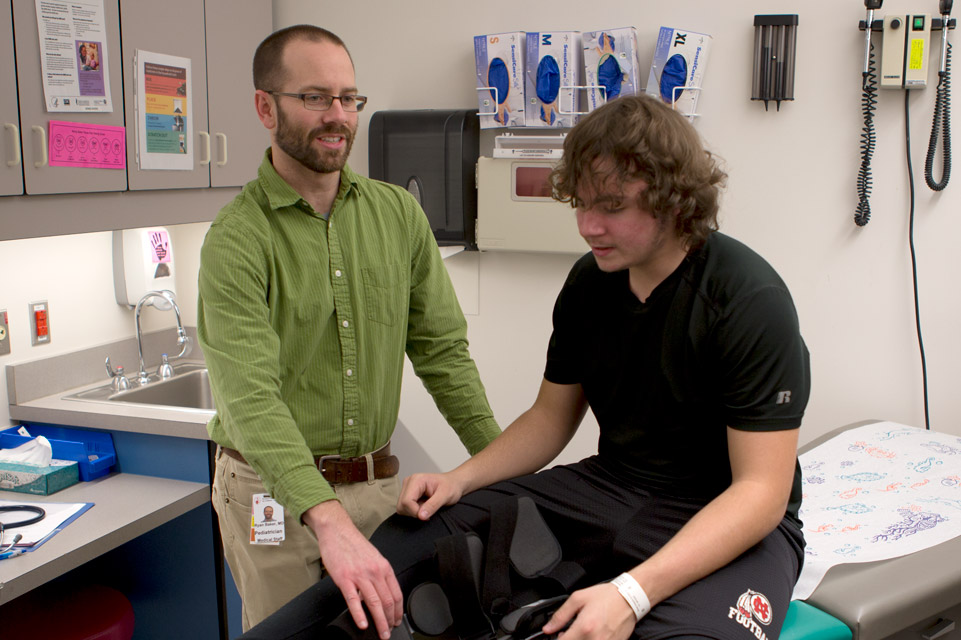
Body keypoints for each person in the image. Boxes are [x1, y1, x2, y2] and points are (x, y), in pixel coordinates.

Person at [240, 93, 810, 640]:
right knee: (422, 534)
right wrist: (459, 479)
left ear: (673, 198)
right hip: (612, 488)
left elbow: (761, 490)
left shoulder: (746, 297)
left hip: (725, 509)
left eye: (612, 207)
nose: (589, 226)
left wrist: (632, 593)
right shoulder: (591, 283)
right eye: (582, 204)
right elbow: (549, 418)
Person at [197, 24, 501, 632]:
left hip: (373, 487)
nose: (337, 116)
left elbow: (443, 354)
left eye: (348, 98)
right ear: (266, 106)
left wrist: (500, 465)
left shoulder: (398, 215)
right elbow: (251, 399)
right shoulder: (236, 239)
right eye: (314, 97)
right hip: (270, 496)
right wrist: (326, 519)